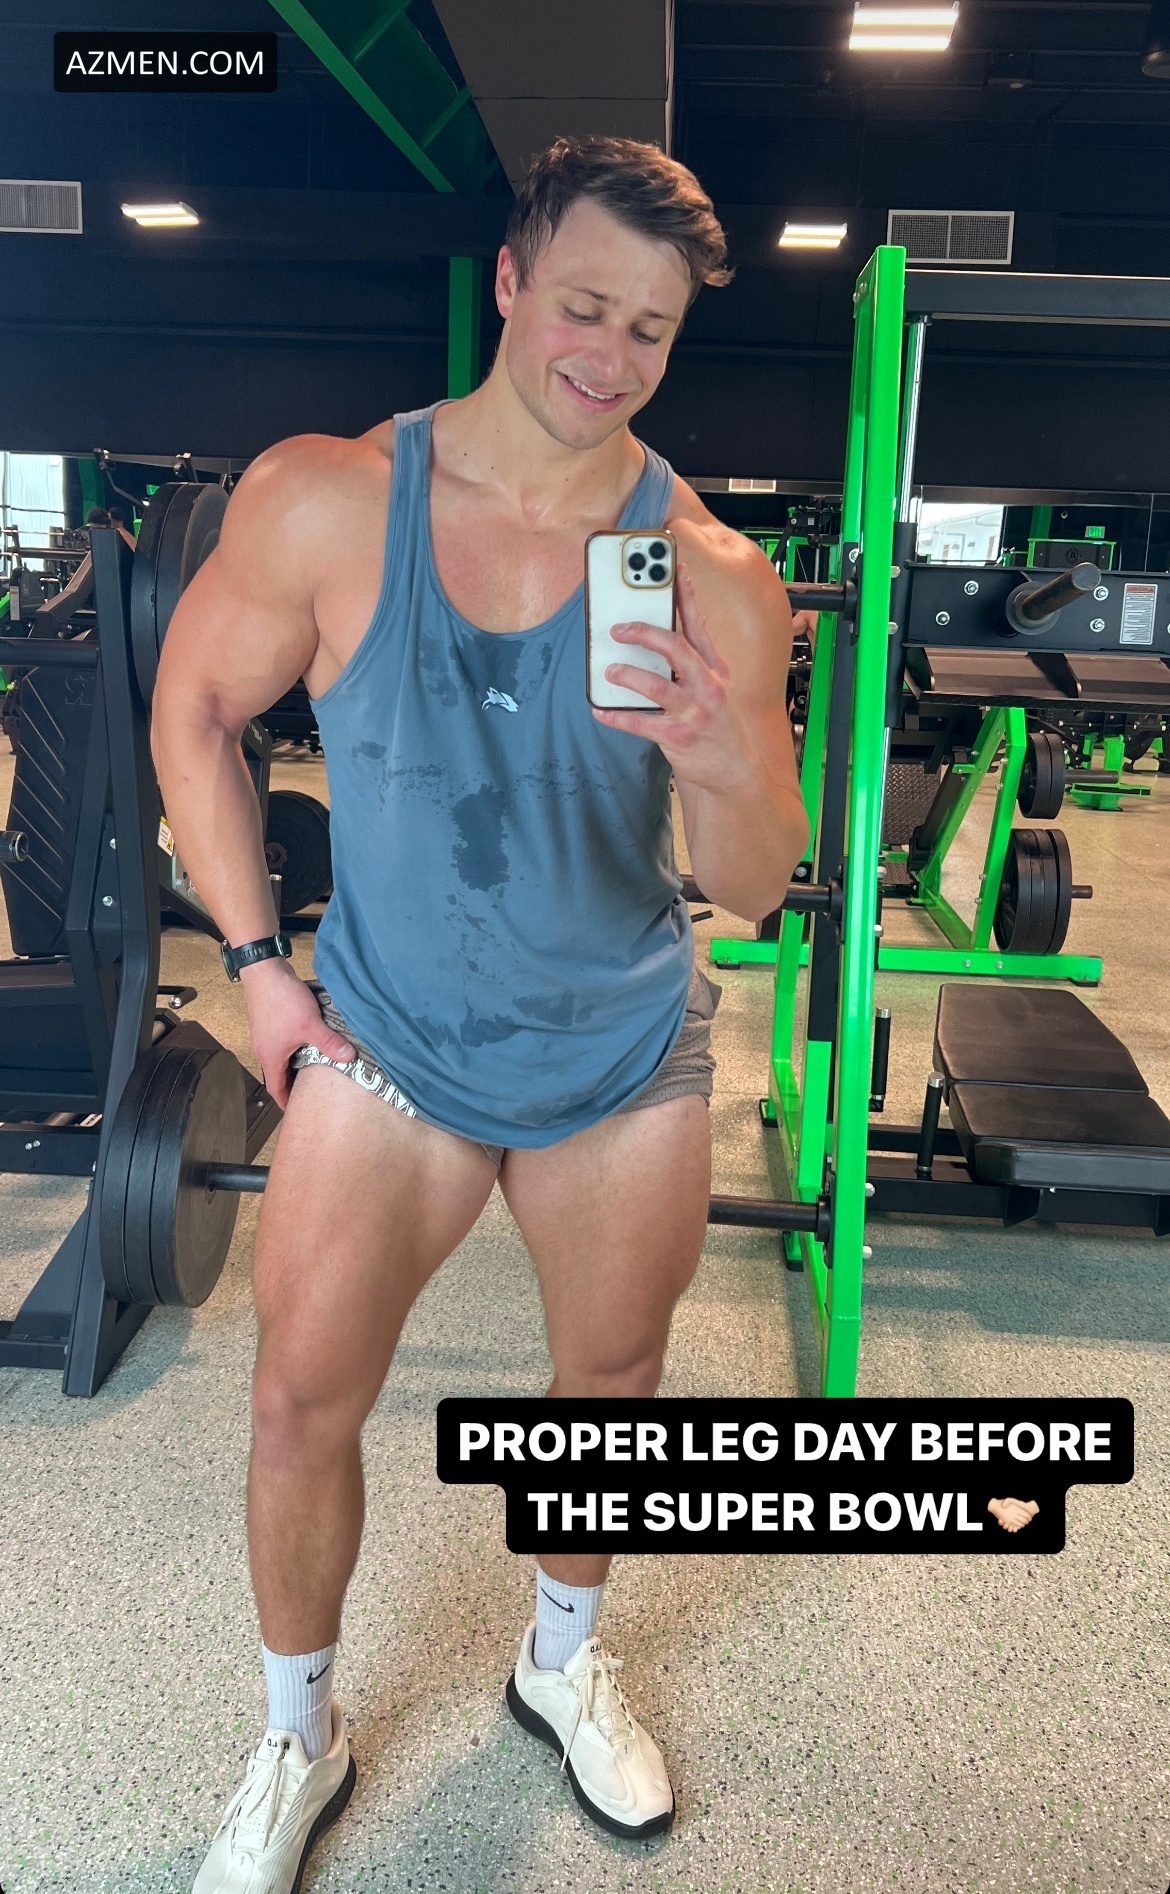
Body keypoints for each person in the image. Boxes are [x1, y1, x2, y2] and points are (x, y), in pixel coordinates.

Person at [153, 133, 808, 1893]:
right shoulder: (325, 500)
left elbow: (758, 879)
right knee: (301, 1394)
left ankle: (558, 1658)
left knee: (608, 1384)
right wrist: (259, 966)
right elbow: (194, 711)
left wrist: (717, 751)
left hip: (620, 1042)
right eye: (584, 305)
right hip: (388, 1035)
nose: (611, 354)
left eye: (651, 329)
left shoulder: (710, 571)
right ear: (510, 282)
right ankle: (298, 1732)